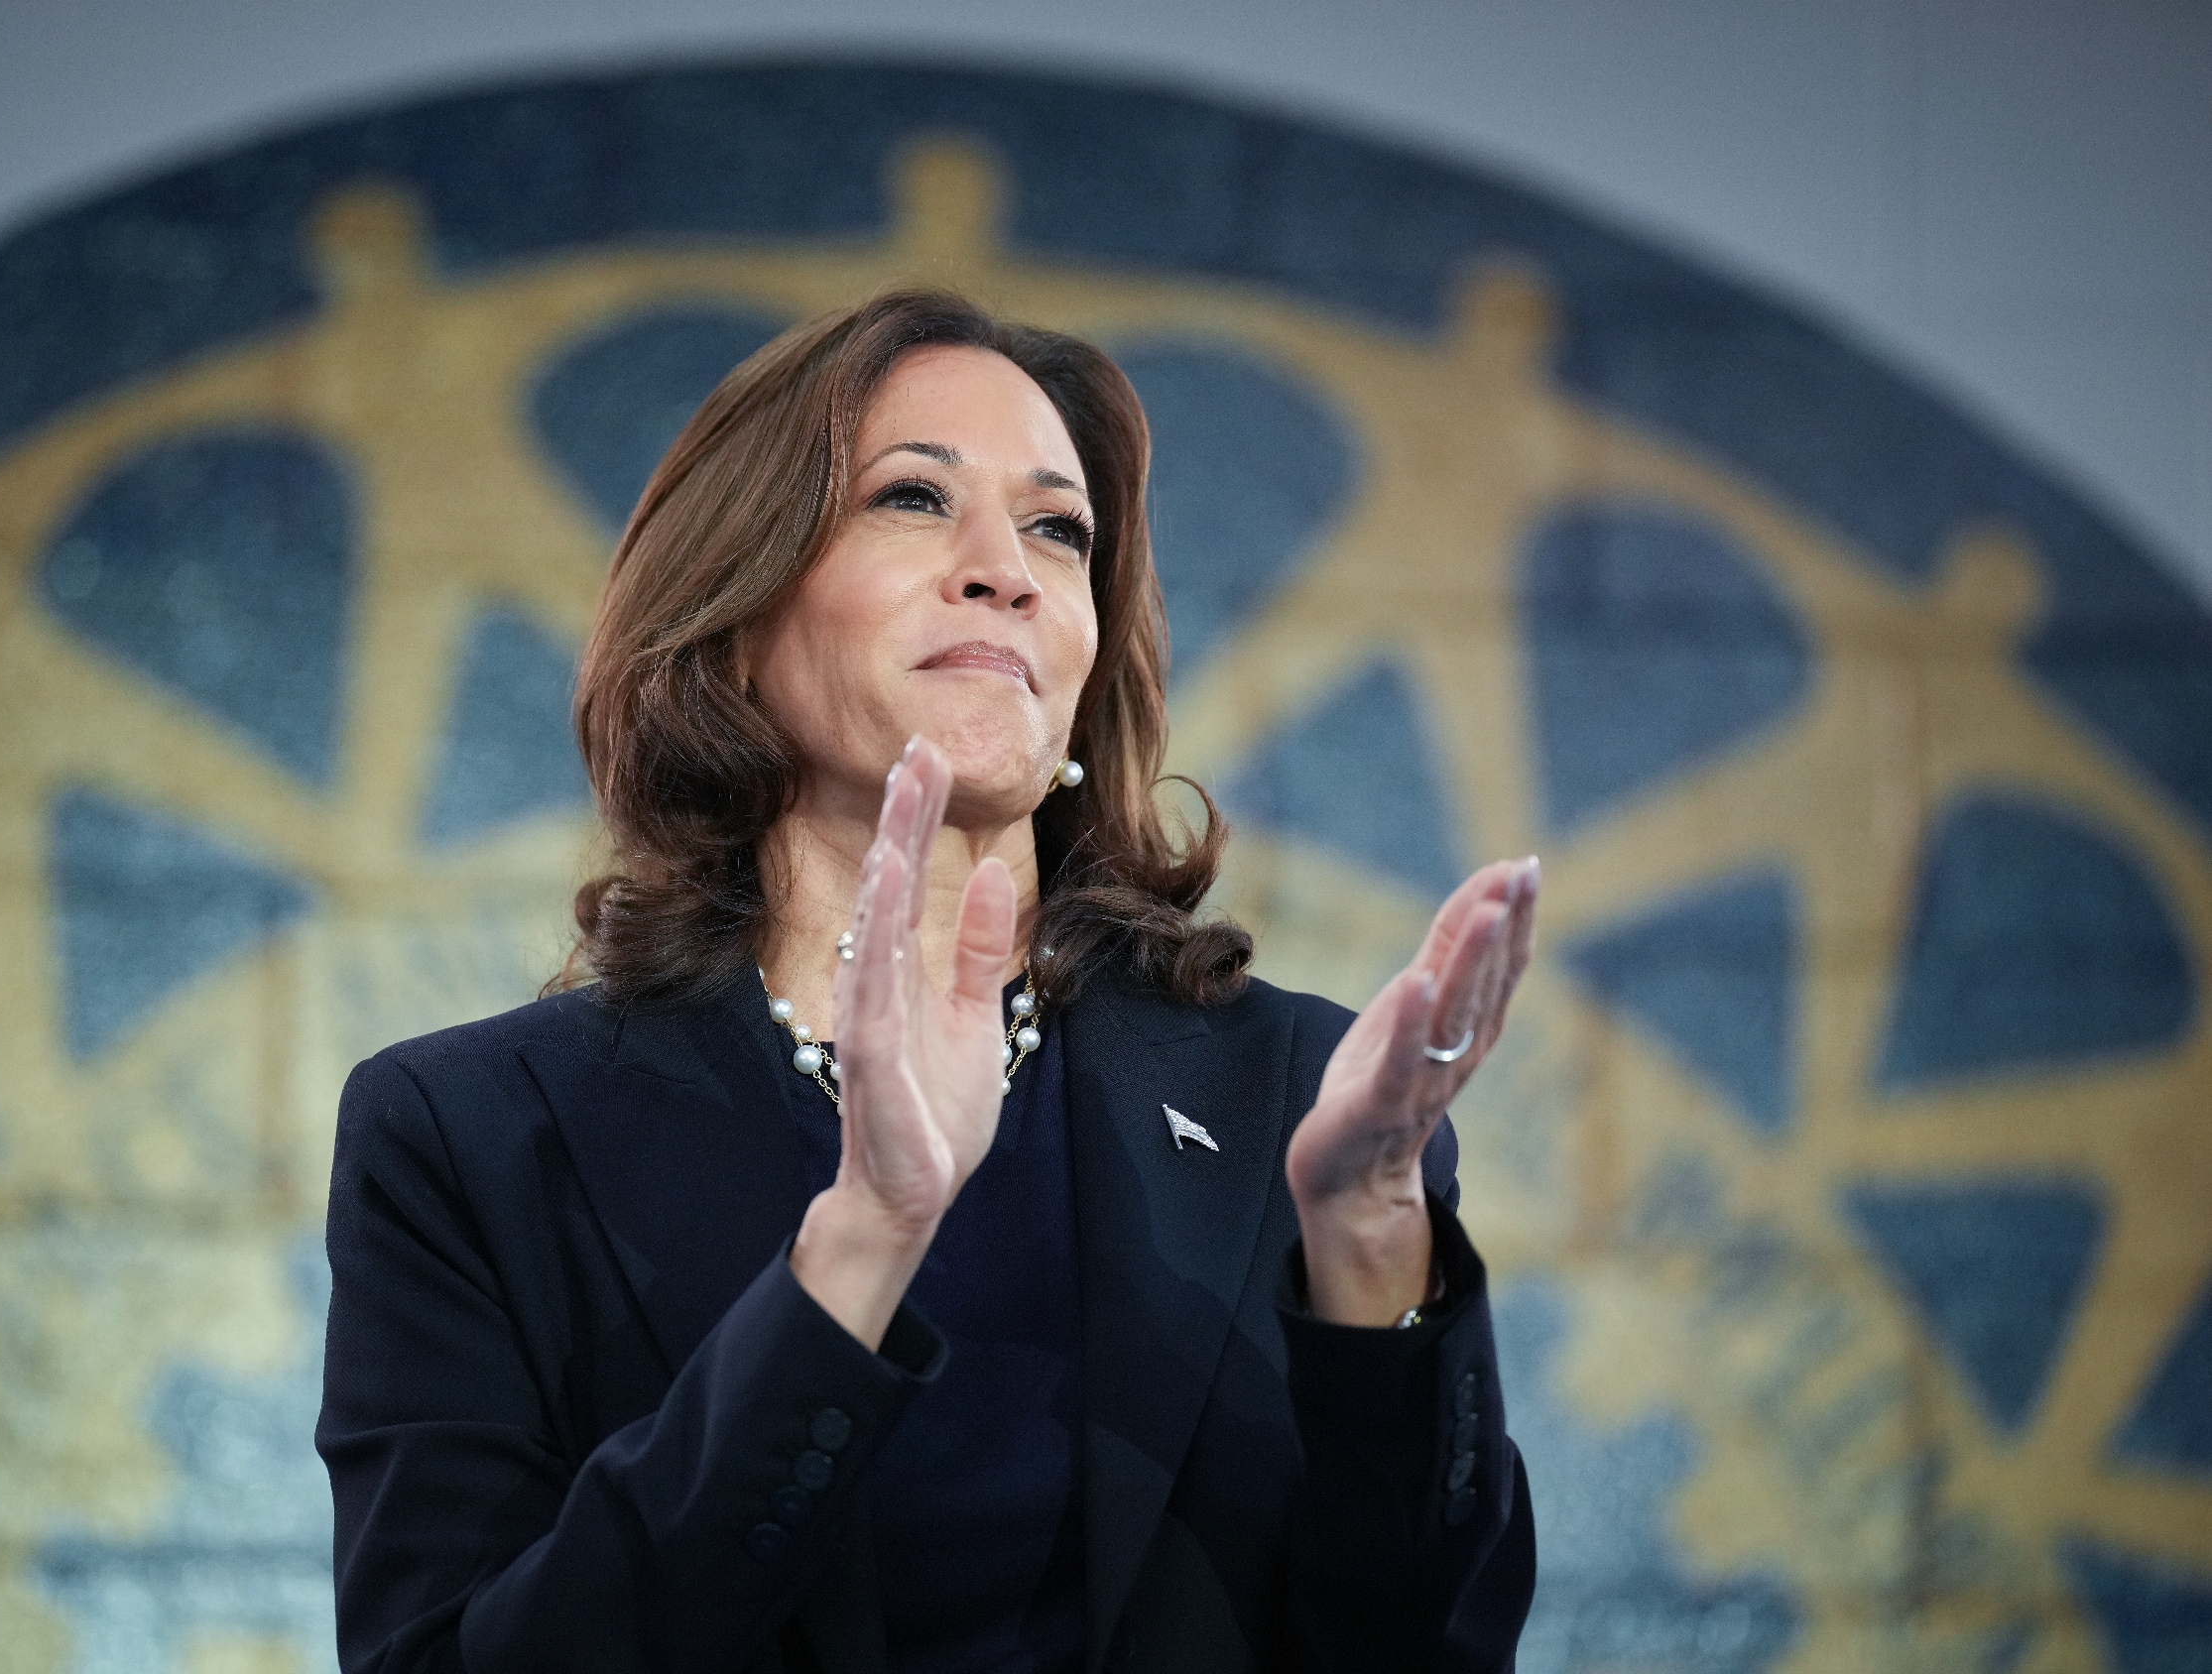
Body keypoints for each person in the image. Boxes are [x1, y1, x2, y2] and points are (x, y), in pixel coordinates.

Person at [316, 290, 1539, 1673]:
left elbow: (1426, 1652)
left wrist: (1374, 1234)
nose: (1004, 569)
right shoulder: (469, 1135)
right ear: (733, 606)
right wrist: (867, 1242)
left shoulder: (1299, 1108)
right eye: (913, 498)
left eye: (1057, 529)